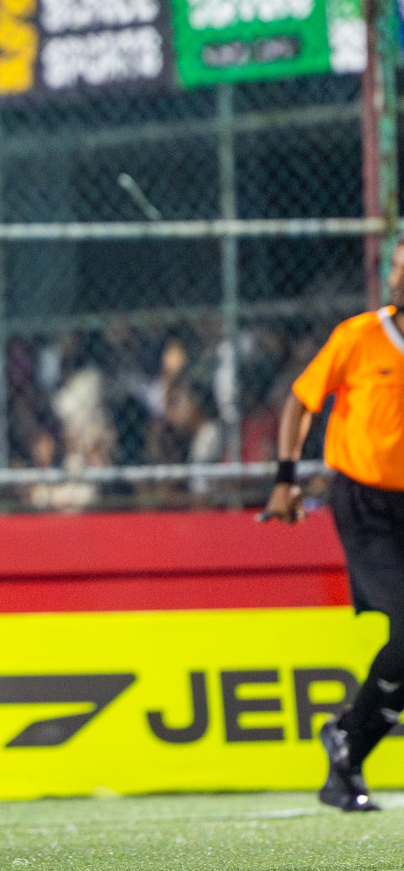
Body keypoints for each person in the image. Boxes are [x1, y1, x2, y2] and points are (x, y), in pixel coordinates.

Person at [263, 240, 404, 813]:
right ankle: (349, 742)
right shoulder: (360, 336)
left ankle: (346, 745)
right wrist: (285, 478)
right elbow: (301, 401)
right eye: (398, 264)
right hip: (365, 503)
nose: (399, 274)